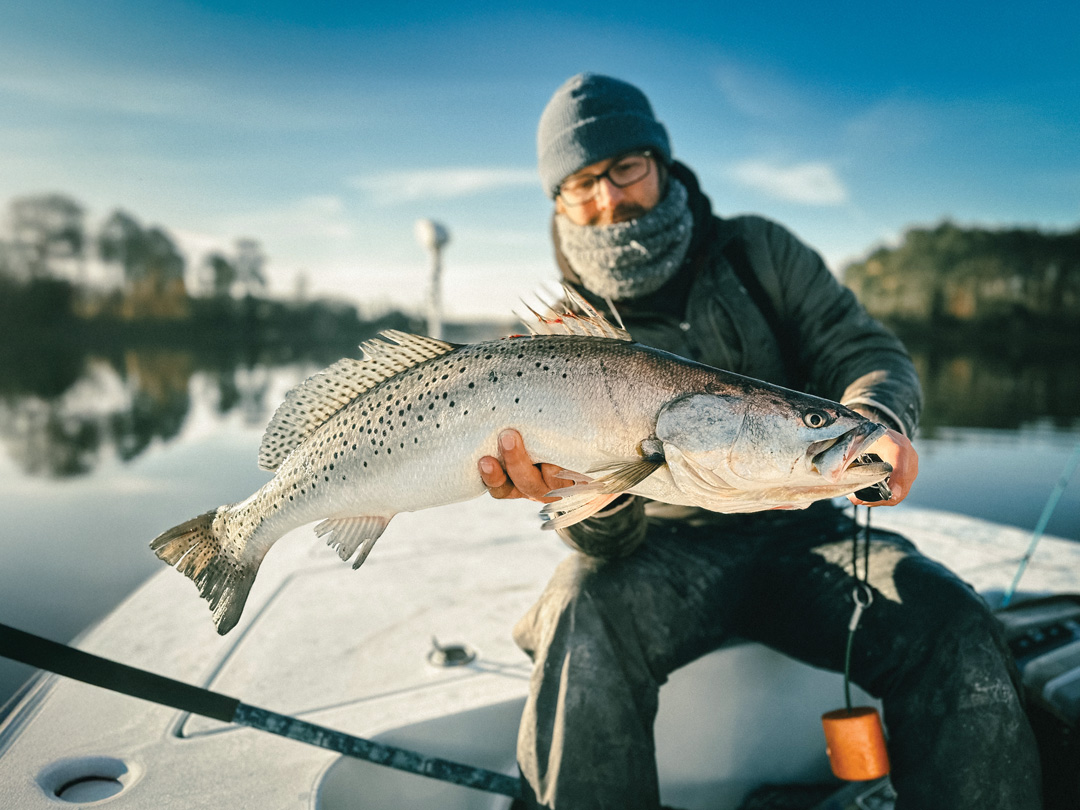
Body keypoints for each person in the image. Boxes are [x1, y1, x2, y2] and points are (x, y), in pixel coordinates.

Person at [477, 73, 1041, 810]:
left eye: (625, 168)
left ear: (662, 162)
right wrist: (585, 501)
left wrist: (881, 418)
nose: (609, 198)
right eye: (580, 184)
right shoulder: (560, 340)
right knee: (577, 610)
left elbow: (863, 347)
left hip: (808, 535)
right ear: (558, 202)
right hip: (662, 553)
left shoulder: (759, 252)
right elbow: (607, 544)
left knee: (954, 626)